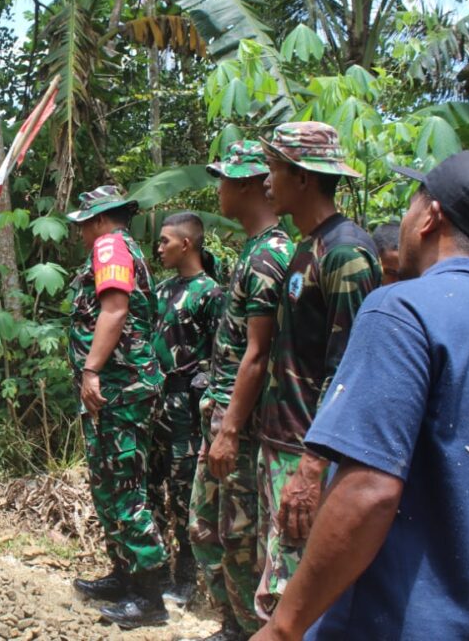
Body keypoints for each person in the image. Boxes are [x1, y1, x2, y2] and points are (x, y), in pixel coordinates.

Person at [253, 151, 469, 641]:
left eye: (412, 203)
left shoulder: (403, 310)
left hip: (401, 621)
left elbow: (369, 489)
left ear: (430, 217)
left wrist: (284, 626)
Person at [255, 122, 381, 620]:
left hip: (308, 451)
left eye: (274, 169)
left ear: (304, 178)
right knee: (272, 583)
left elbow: (351, 369)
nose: (266, 181)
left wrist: (312, 467)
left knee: (292, 598)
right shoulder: (307, 247)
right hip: (281, 440)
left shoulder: (346, 254)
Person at [189, 141, 295, 640]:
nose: (220, 190)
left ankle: (249, 629)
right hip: (225, 414)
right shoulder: (254, 250)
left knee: (240, 535)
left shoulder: (270, 256)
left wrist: (230, 430)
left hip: (245, 424)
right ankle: (232, 623)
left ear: (251, 185)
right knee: (208, 527)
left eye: (226, 180)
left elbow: (258, 354)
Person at [65, 185, 169, 629]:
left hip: (121, 387)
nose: (81, 232)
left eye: (83, 224)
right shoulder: (121, 247)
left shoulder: (110, 245)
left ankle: (149, 597)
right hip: (113, 390)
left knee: (125, 487)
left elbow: (114, 309)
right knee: (107, 485)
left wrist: (91, 370)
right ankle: (124, 576)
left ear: (100, 220)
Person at [148, 212, 224, 605]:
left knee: (183, 492)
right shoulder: (161, 290)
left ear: (186, 244)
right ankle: (156, 569)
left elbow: (222, 353)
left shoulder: (210, 293)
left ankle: (186, 579)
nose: (159, 248)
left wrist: (204, 389)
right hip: (155, 404)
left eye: (165, 241)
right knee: (150, 485)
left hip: (187, 411)